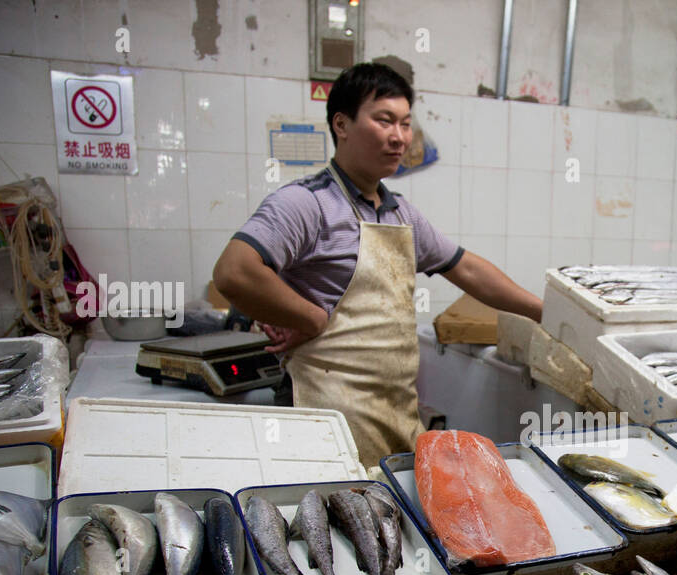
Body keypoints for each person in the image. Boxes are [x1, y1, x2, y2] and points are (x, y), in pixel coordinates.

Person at [213, 63, 542, 466]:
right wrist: (312, 319)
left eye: (405, 123)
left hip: (394, 413)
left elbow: (468, 269)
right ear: (342, 124)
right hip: (326, 415)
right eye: (384, 120)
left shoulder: (400, 212)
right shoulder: (306, 203)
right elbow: (235, 272)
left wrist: (545, 313)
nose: (399, 137)